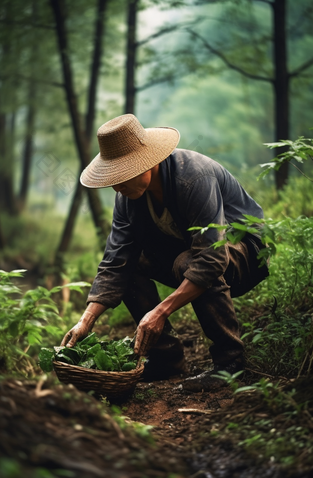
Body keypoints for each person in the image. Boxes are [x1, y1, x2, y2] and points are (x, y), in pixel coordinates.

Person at [61, 114, 269, 391]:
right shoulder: (127, 198)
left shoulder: (194, 178)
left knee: (190, 261)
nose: (117, 185)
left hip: (244, 253)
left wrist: (160, 311)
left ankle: (230, 363)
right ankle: (166, 359)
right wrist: (85, 321)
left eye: (124, 174)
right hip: (191, 253)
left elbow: (211, 256)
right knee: (133, 265)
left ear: (149, 161)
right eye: (114, 177)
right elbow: (116, 261)